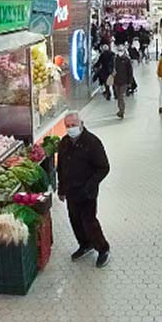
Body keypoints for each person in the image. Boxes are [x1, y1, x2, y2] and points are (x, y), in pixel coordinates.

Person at [56, 113, 110, 266]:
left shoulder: (92, 142)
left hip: (87, 192)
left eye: (73, 125)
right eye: (68, 126)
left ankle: (103, 248)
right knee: (75, 220)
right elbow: (60, 167)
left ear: (81, 124)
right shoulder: (64, 142)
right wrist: (61, 189)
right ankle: (85, 244)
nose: (71, 128)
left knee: (89, 221)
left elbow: (104, 168)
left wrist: (90, 185)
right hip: (71, 191)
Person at [111, 46, 134, 119]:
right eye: (119, 50)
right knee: (118, 96)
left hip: (124, 81)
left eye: (121, 50)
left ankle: (122, 111)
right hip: (116, 80)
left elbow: (130, 71)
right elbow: (111, 67)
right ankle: (120, 109)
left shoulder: (127, 60)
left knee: (121, 96)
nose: (120, 52)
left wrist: (130, 82)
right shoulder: (115, 59)